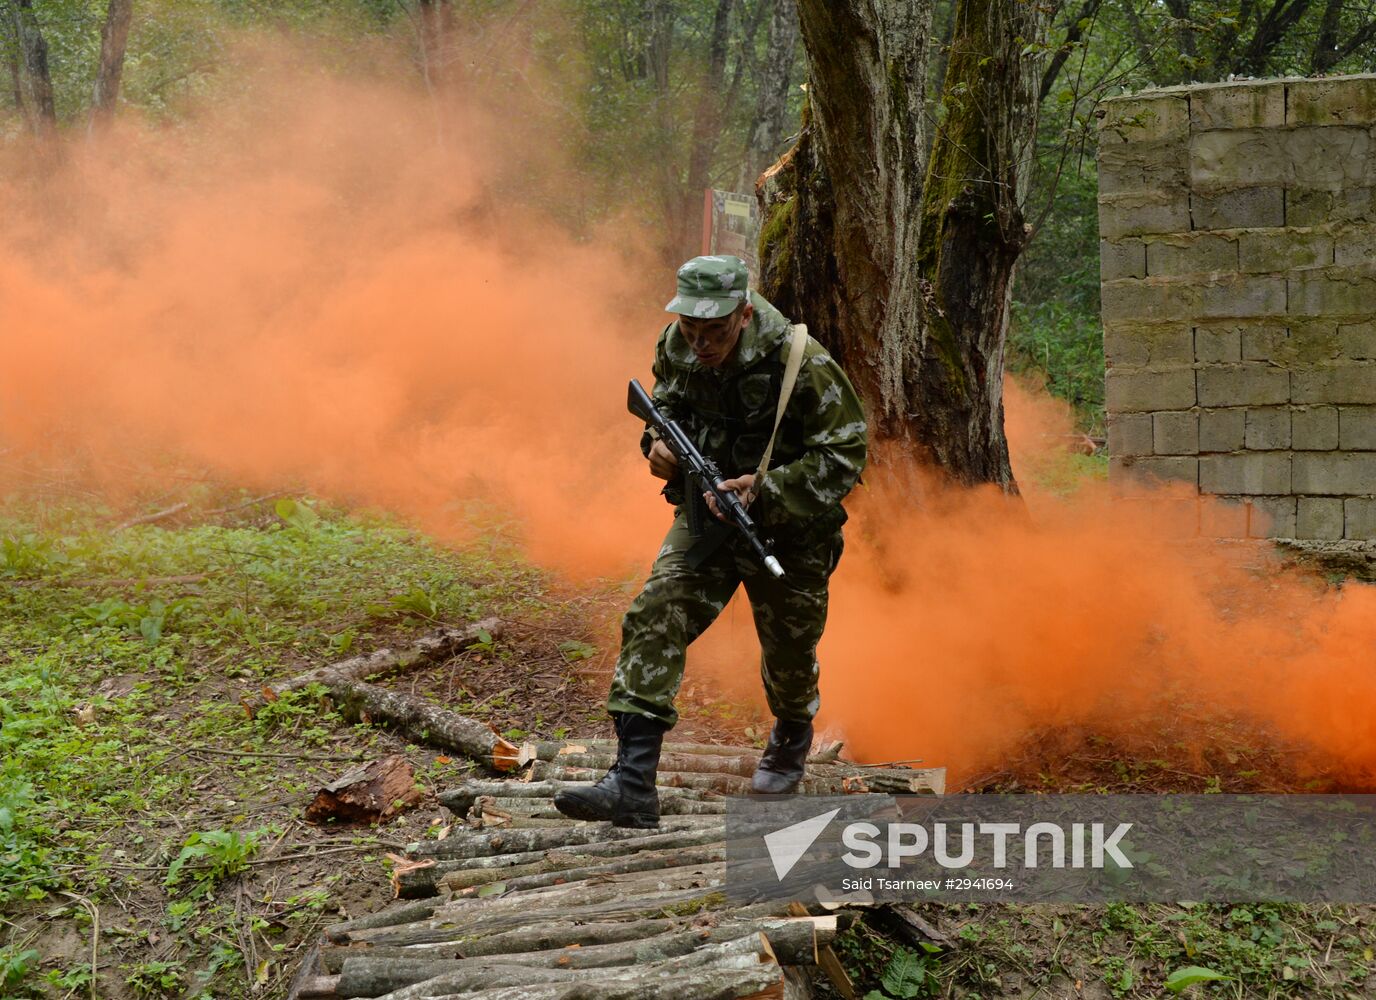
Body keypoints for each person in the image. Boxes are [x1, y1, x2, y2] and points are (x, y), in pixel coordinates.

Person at [554, 255, 868, 828]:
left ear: (744, 315)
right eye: (689, 329)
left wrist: (764, 491)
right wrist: (657, 444)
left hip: (788, 529)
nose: (699, 344)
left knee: (790, 653)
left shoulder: (801, 362)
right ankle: (632, 783)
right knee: (657, 609)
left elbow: (844, 453)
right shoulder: (676, 344)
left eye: (714, 332)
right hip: (705, 514)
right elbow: (664, 404)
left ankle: (791, 735)